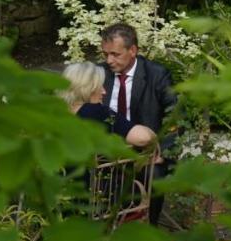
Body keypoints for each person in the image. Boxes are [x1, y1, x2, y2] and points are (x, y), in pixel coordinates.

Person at [100, 23, 178, 224]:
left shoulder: (157, 75)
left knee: (156, 176)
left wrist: (164, 152)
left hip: (147, 151)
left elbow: (174, 116)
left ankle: (149, 230)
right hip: (107, 150)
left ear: (133, 50)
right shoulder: (99, 74)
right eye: (105, 54)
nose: (109, 60)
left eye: (115, 54)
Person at [61, 61, 156, 149]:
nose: (104, 91)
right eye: (100, 86)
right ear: (88, 88)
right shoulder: (96, 112)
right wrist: (152, 134)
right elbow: (143, 138)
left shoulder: (56, 112)